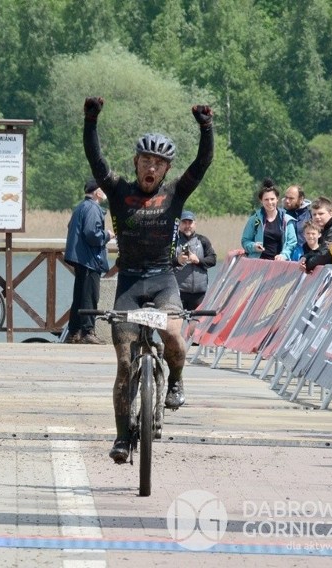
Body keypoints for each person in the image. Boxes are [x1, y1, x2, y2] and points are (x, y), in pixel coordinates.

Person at [83, 95, 214, 463]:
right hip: (129, 283)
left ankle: (175, 378)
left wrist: (206, 127)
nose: (151, 168)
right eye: (145, 161)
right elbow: (96, 160)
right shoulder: (119, 191)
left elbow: (202, 165)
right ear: (136, 163)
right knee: (125, 362)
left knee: (173, 335)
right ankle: (122, 437)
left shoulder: (174, 194)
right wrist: (91, 121)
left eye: (158, 163)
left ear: (166, 169)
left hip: (162, 281)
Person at [64, 178, 114, 345]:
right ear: (97, 192)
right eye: (103, 189)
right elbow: (92, 234)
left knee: (79, 295)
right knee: (90, 296)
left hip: (79, 258)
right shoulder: (93, 208)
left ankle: (74, 332)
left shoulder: (80, 207)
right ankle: (87, 332)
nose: (105, 192)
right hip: (89, 259)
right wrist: (107, 235)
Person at [241, 178, 297, 261]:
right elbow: (245, 241)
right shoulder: (254, 220)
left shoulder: (287, 220)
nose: (270, 202)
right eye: (266, 200)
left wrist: (284, 255)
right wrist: (254, 246)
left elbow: (291, 243)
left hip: (279, 264)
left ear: (277, 199)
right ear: (261, 201)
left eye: (272, 199)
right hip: (258, 264)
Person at [174, 210, 217, 310]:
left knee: (196, 323)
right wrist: (177, 260)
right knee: (176, 322)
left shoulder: (202, 240)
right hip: (178, 293)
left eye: (190, 223)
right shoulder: (173, 242)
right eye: (184, 222)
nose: (187, 225)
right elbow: (164, 263)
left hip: (199, 293)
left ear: (195, 224)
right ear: (180, 224)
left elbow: (213, 260)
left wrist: (198, 260)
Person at [300, 196, 332, 273]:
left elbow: (325, 254)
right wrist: (306, 257)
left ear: (330, 213)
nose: (317, 217)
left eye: (321, 214)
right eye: (314, 214)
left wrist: (307, 264)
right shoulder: (325, 230)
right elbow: (318, 251)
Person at [283, 184, 311, 261]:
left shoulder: (311, 215)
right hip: (284, 258)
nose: (287, 201)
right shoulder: (281, 215)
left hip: (305, 258)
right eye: (286, 197)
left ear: (301, 199)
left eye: (291, 198)